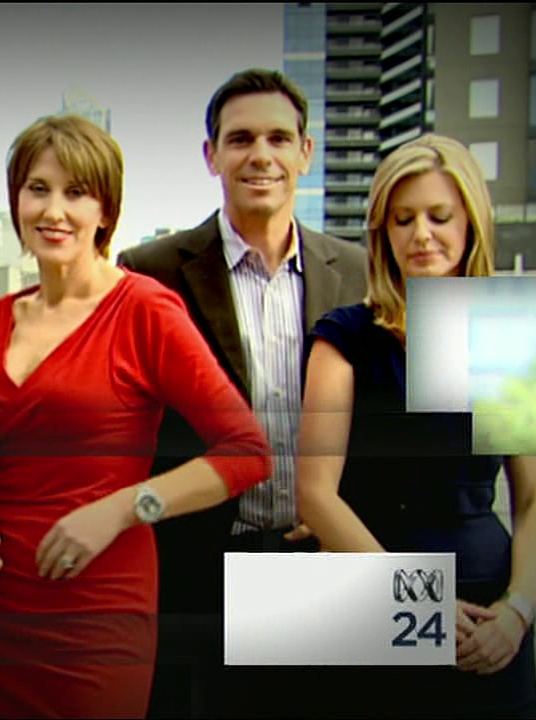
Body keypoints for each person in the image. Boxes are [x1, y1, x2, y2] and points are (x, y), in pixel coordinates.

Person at [0, 114, 273, 719]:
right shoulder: (0, 316)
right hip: (1, 604)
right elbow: (22, 450)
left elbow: (247, 453)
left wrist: (122, 509)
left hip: (99, 610)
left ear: (105, 210)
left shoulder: (145, 309)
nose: (53, 210)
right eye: (38, 189)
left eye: (76, 192)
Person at [116, 68, 368, 718]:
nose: (261, 155)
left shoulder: (359, 272)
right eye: (241, 139)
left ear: (305, 152)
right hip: (202, 570)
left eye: (279, 139)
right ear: (212, 155)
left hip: (325, 562)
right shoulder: (151, 271)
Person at [297, 133, 536, 718]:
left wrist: (517, 612)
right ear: (382, 232)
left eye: (439, 216)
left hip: (491, 617)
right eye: (403, 219)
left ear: (471, 223)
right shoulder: (341, 337)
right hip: (370, 602)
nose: (421, 234)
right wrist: (418, 603)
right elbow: (315, 494)